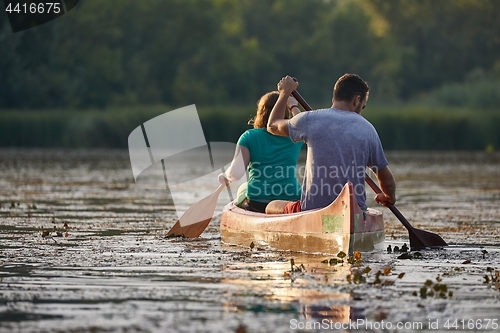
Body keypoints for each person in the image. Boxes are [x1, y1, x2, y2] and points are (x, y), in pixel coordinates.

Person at [267, 74, 396, 213]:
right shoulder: (368, 129)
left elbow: (273, 125)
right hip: (353, 212)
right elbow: (387, 181)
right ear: (357, 100)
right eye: (362, 107)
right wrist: (389, 197)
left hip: (312, 211)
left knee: (271, 206)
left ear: (334, 98)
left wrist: (284, 93)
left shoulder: (310, 119)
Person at [218, 91, 304, 213]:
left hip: (258, 202)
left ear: (261, 112)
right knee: (244, 188)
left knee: (243, 189)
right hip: (291, 201)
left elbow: (235, 174)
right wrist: (293, 106)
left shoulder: (249, 137)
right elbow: (304, 125)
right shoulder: (294, 136)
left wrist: (225, 176)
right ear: (286, 111)